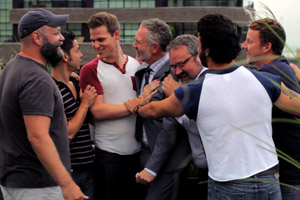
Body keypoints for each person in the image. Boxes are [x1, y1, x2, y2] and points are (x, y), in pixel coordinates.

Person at [125, 14, 300, 199]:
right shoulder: (263, 78)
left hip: (229, 185)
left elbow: (154, 110)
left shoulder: (195, 91)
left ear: (206, 51)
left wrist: (136, 105)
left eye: (199, 44)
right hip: (268, 181)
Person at [0, 9, 87, 200]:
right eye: (55, 33)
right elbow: (38, 136)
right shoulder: (36, 79)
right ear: (37, 37)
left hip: (17, 181)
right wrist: (67, 184)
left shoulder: (14, 67)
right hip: (39, 186)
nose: (62, 38)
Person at [79, 12, 158, 200]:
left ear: (116, 35)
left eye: (101, 39)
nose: (96, 45)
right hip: (108, 157)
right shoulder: (89, 69)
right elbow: (97, 111)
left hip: (138, 155)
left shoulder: (138, 66)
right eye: (93, 40)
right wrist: (137, 103)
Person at [130, 18, 191, 200]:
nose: (134, 45)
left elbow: (171, 124)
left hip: (167, 161)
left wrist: (152, 167)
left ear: (155, 48)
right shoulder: (142, 71)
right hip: (144, 155)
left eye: (138, 42)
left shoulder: (176, 74)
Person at [242, 18, 300, 199]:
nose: (244, 45)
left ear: (266, 46)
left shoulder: (271, 74)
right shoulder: (282, 67)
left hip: (288, 177)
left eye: (249, 41)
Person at [51, 30, 97, 199]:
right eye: (77, 50)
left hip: (88, 167)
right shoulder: (53, 90)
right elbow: (67, 133)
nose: (81, 54)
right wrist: (84, 104)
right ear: (65, 57)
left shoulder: (76, 83)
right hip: (70, 172)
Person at [162, 34, 208, 199]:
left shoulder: (208, 81)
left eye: (182, 64)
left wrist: (175, 96)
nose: (178, 71)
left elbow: (201, 123)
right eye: (174, 66)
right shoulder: (186, 82)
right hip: (200, 170)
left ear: (199, 55)